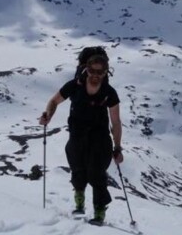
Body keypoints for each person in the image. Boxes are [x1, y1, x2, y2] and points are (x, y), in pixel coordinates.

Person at [39, 51, 123, 225]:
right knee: (78, 170)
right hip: (77, 136)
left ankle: (99, 212)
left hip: (100, 139)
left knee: (96, 173)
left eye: (100, 72)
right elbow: (54, 101)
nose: (96, 75)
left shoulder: (109, 93)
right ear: (86, 69)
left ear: (106, 72)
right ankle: (80, 202)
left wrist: (117, 148)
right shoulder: (75, 86)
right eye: (93, 71)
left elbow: (115, 121)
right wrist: (48, 114)